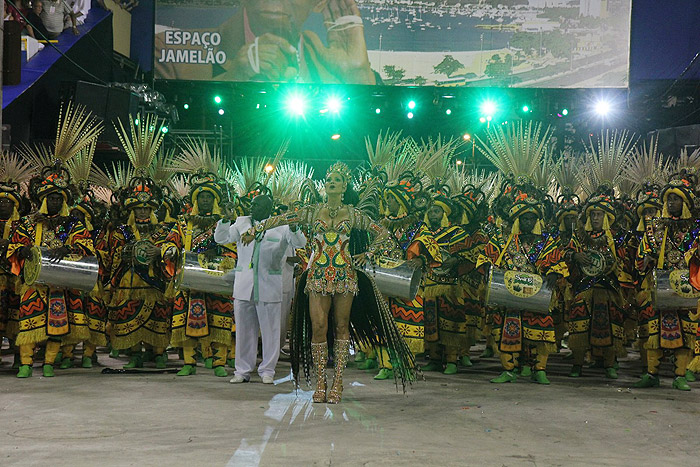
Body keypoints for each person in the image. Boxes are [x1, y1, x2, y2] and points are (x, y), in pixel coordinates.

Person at [244, 162, 415, 403]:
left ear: (344, 186)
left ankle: (338, 381)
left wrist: (367, 254)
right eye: (328, 180)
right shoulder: (312, 211)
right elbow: (282, 218)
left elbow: (383, 233)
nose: (330, 182)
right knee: (318, 327)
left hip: (345, 275)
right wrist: (256, 228)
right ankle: (321, 380)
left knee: (341, 327)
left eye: (336, 180)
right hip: (318, 276)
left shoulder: (353, 214)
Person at [154, 0, 376, 84]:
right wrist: (233, 79)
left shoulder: (337, 72)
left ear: (319, 3)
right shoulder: (168, 52)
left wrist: (358, 77)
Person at [214, 194, 306, 384]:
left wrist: (295, 227)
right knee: (244, 330)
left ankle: (267, 370)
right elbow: (221, 238)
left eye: (257, 205)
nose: (252, 207)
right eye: (252, 204)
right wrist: (225, 219)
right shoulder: (241, 223)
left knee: (271, 331)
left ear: (268, 208)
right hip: (244, 285)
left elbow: (299, 243)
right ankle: (242, 370)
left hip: (269, 285)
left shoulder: (280, 227)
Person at [481, 190, 564, 385]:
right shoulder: (503, 240)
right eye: (524, 219)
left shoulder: (545, 242)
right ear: (517, 220)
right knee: (508, 331)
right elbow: (485, 257)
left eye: (531, 219)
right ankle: (509, 370)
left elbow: (556, 261)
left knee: (538, 331)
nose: (528, 222)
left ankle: (539, 369)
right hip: (509, 296)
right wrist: (486, 267)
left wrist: (553, 272)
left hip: (536, 295)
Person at [163, 171, 238, 378]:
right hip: (189, 280)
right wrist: (170, 250)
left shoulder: (224, 223)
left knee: (219, 320)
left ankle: (219, 362)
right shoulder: (183, 223)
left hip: (216, 280)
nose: (205, 200)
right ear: (196, 200)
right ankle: (189, 362)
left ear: (215, 200)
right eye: (202, 197)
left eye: (209, 197)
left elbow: (233, 249)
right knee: (185, 320)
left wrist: (221, 255)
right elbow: (171, 242)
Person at [634, 175, 700, 390]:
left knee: (687, 331)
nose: (672, 203)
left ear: (686, 203)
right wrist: (647, 259)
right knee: (655, 331)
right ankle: (651, 373)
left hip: (686, 288)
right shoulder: (654, 228)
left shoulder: (695, 230)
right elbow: (642, 254)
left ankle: (680, 375)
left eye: (676, 199)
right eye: (669, 199)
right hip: (660, 287)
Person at [565, 191, 631, 379]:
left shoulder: (618, 238)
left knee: (610, 324)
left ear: (607, 217)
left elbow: (627, 261)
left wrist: (614, 263)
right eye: (592, 214)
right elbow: (566, 253)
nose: (595, 218)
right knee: (580, 325)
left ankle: (610, 364)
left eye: (599, 214)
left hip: (608, 289)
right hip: (583, 288)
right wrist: (575, 256)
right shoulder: (579, 236)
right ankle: (577, 364)